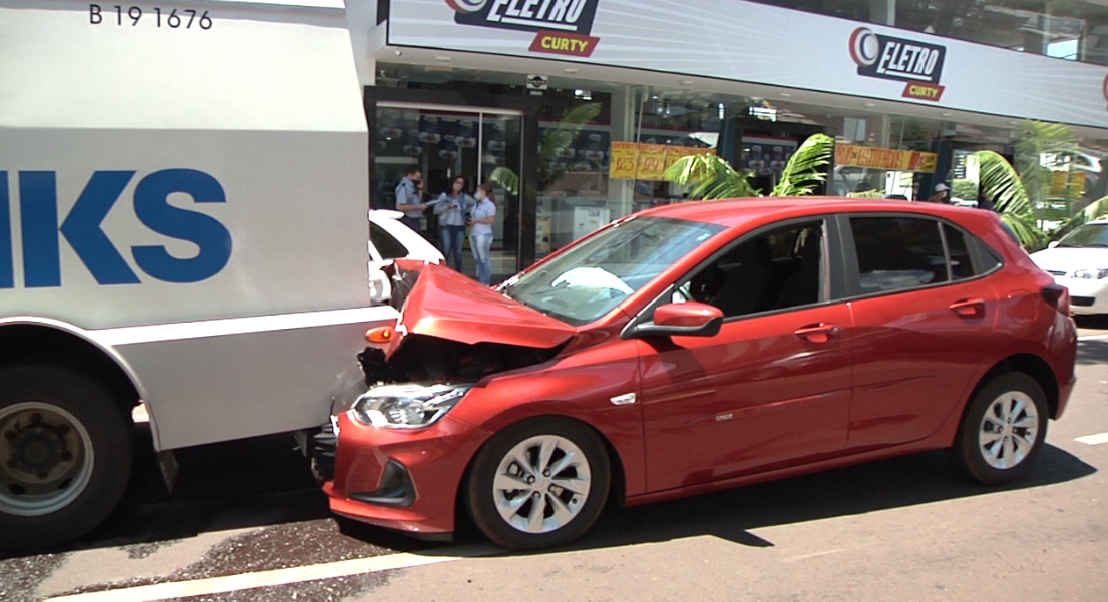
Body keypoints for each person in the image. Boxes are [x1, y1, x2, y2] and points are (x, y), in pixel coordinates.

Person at [434, 176, 474, 272]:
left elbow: (474, 204)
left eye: (461, 183)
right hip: (446, 226)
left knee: (458, 251)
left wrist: (467, 212)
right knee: (446, 250)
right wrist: (447, 206)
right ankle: (443, 271)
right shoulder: (444, 196)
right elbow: (435, 210)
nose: (458, 185)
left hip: (460, 226)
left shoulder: (464, 197)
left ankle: (458, 273)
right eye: (457, 182)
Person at [470, 183, 497, 285]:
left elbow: (490, 220)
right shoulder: (477, 204)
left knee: (484, 258)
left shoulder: (489, 205)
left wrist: (477, 221)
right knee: (478, 259)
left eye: (478, 191)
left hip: (483, 234)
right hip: (474, 233)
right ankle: (482, 279)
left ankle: (485, 282)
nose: (476, 193)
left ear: (483, 192)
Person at [395, 167, 426, 232]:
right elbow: (400, 206)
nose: (418, 180)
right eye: (417, 178)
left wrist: (420, 189)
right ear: (410, 176)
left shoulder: (412, 187)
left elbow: (417, 201)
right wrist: (418, 207)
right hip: (408, 219)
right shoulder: (404, 187)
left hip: (415, 217)